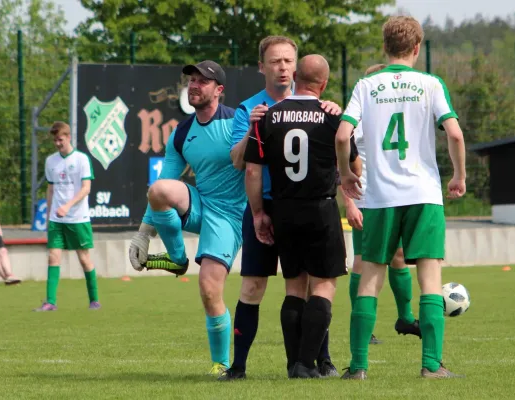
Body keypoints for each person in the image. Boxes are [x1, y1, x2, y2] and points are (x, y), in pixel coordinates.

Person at [337, 16, 466, 379]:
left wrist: (346, 175)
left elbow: (343, 134)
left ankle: (358, 367)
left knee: (369, 277)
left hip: (378, 196)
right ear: (416, 48)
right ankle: (430, 366)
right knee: (429, 276)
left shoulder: (366, 85)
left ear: (384, 48)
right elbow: (454, 135)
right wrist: (459, 175)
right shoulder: (430, 84)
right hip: (423, 194)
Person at [222, 36, 341, 380]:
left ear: (297, 66)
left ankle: (323, 359)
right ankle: (239, 366)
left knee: (306, 284)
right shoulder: (249, 109)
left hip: (297, 205)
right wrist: (252, 130)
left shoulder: (312, 104)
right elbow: (236, 161)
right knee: (254, 285)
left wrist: (330, 107)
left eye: (289, 61)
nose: (283, 67)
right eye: (275, 61)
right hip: (263, 205)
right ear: (262, 67)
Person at [244, 54, 361, 378]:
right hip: (321, 208)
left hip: (283, 209)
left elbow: (253, 171)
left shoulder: (268, 116)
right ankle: (306, 364)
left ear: (294, 76)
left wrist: (258, 214)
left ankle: (293, 362)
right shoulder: (332, 117)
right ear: (323, 84)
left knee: (294, 287)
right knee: (323, 287)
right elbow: (353, 163)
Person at [128, 60, 245, 376]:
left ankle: (221, 364)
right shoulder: (181, 133)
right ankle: (177, 259)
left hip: (231, 216)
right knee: (160, 188)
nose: (193, 85)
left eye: (202, 81)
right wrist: (143, 233)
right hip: (201, 204)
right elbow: (161, 189)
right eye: (191, 80)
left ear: (218, 90)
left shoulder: (238, 122)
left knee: (209, 290)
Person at [338, 63, 422, 358]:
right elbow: (343, 161)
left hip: (391, 195)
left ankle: (406, 318)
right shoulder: (358, 115)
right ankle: (364, 327)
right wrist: (349, 201)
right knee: (362, 263)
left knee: (398, 257)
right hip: (366, 198)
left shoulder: (391, 111)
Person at [34, 122, 100, 311]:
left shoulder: (81, 160)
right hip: (57, 220)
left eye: (60, 139)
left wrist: (67, 206)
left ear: (68, 137)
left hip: (78, 218)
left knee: (84, 259)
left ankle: (94, 300)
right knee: (53, 257)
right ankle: (50, 302)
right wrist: (48, 216)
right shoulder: (51, 161)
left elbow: (86, 188)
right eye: (54, 140)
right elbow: (51, 188)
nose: (57, 143)